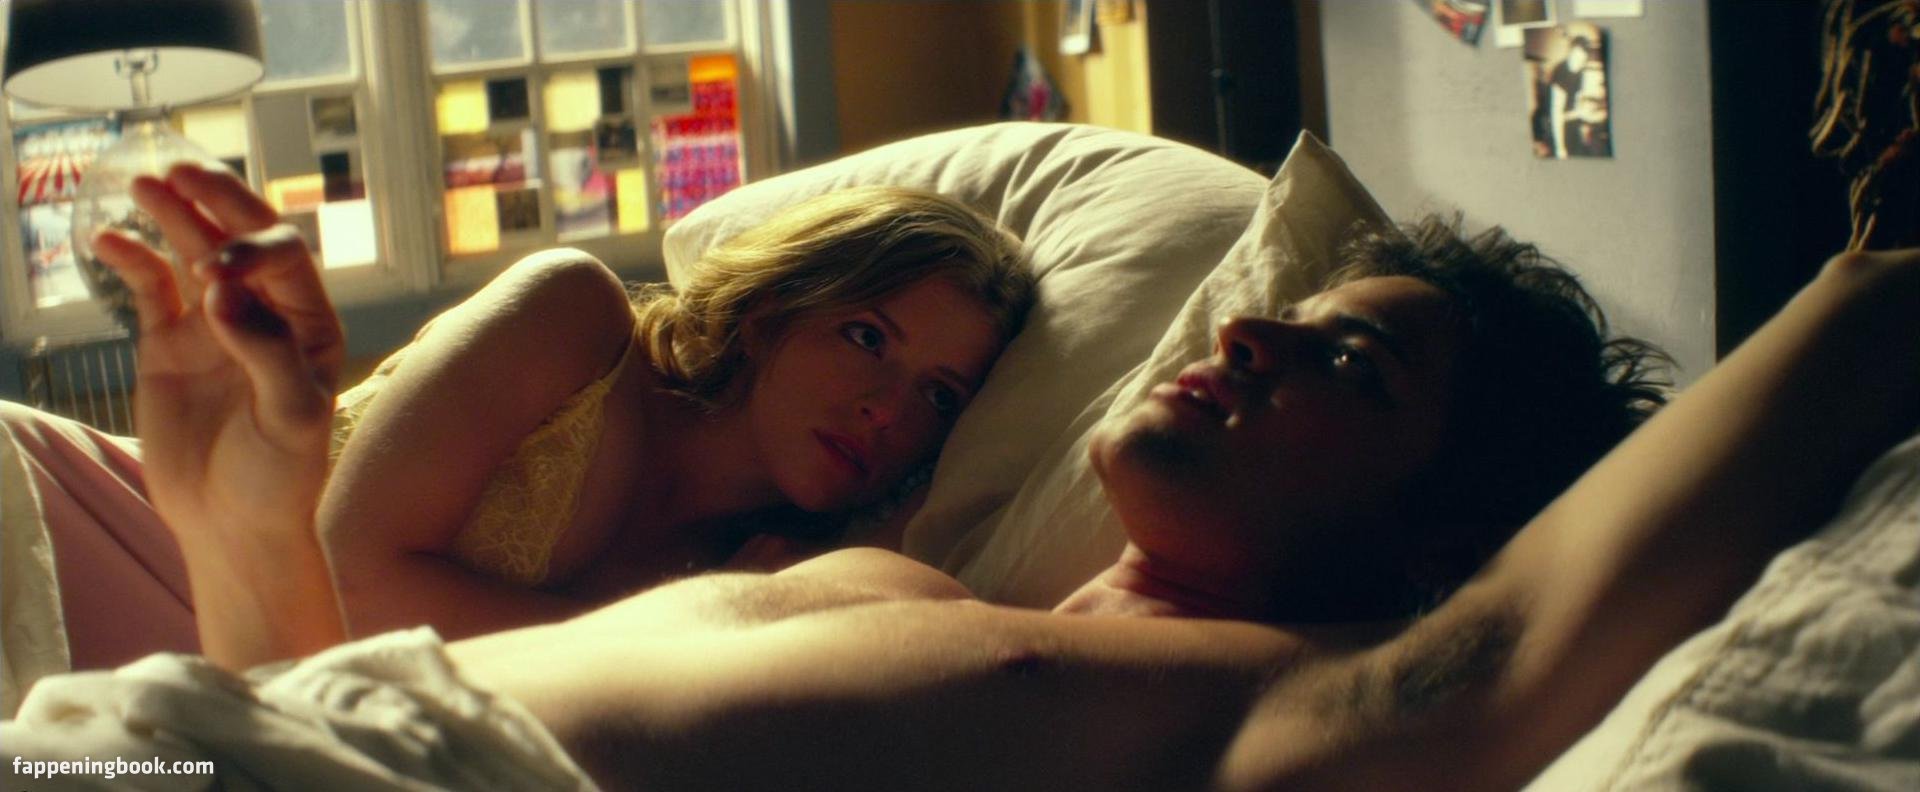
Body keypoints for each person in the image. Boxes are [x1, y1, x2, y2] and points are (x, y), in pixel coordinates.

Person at [15, 165, 1919, 791]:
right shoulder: (919, 603)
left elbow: (1499, 659)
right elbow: (306, 707)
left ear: (1429, 531)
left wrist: (1875, 278)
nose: (1253, 334)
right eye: (1286, 313)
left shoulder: (1248, 693)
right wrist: (241, 505)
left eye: (1350, 363)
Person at [121, 163, 1036, 646]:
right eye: (868, 337)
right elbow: (351, 583)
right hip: (139, 540)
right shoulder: (574, 321)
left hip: (237, 697)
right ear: (771, 311)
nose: (887, 408)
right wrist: (692, 636)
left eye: (939, 393)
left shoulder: (788, 571)